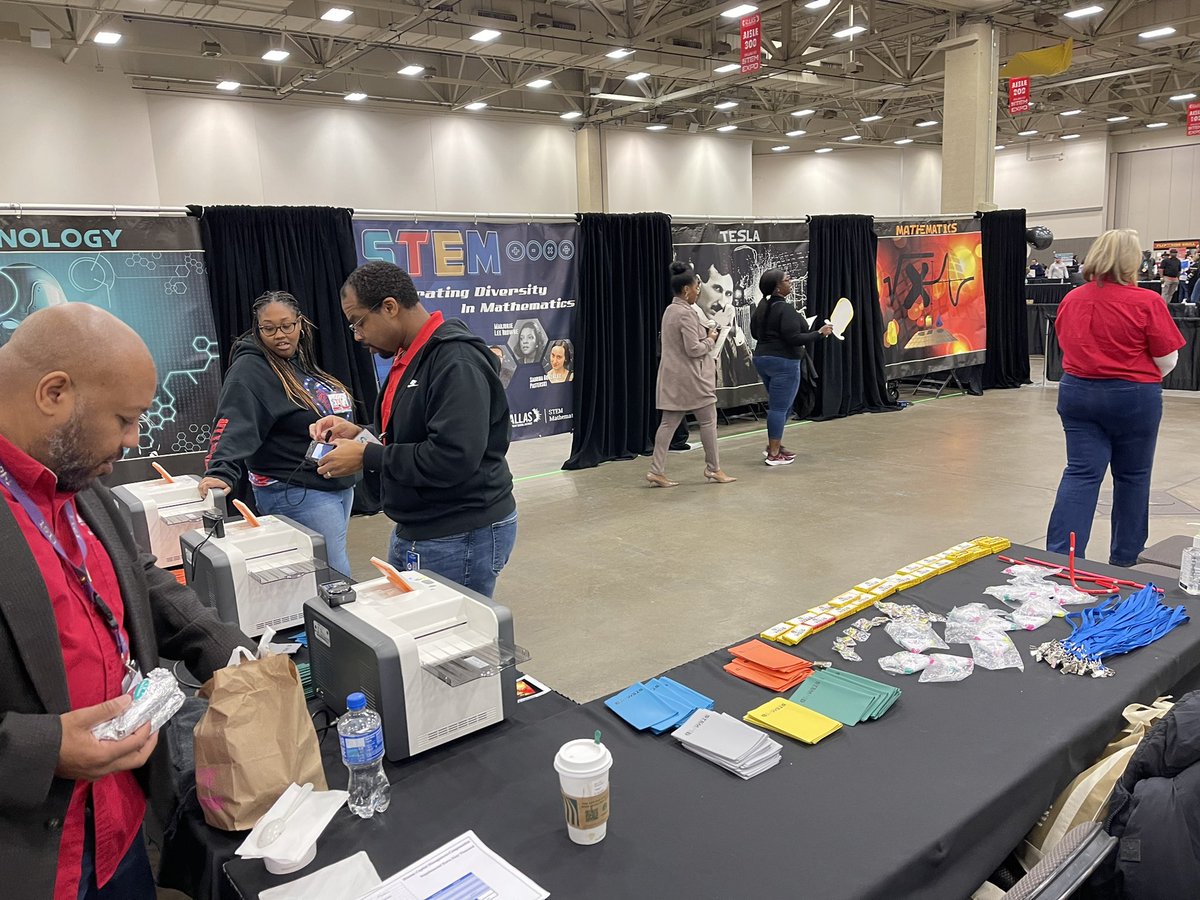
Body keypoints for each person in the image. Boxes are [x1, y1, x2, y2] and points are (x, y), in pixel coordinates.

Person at [0, 305, 251, 900]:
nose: (135, 440)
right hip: (30, 862)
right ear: (54, 392)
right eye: (125, 419)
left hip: (121, 829)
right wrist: (42, 750)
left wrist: (222, 648)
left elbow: (135, 577)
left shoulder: (79, 487)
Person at [311, 261, 517, 599]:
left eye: (358, 322)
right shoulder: (410, 357)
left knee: (449, 644)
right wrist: (358, 434)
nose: (358, 335)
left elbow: (452, 457)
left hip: (459, 531)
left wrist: (368, 455)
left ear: (390, 307)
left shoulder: (455, 361)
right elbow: (412, 435)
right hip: (423, 526)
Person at [1046, 229, 1186, 567]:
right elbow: (1167, 359)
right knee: (1133, 478)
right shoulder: (1147, 301)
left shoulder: (1072, 298)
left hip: (1078, 392)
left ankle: (1061, 559)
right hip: (1133, 397)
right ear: (1133, 261)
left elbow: (1065, 342)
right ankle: (1126, 559)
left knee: (1080, 474)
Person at [198, 291, 360, 577]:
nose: (280, 335)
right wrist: (220, 471)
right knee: (332, 576)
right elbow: (231, 421)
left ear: (300, 323)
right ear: (257, 329)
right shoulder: (250, 369)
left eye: (287, 326)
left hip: (333, 483)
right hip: (295, 489)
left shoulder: (299, 360)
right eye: (269, 328)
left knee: (328, 568)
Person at [646, 262, 735, 487]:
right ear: (686, 289)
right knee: (708, 422)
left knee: (667, 424)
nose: (698, 291)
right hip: (693, 379)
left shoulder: (670, 310)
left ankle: (656, 471)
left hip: (672, 378)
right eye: (697, 287)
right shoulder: (685, 314)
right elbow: (693, 349)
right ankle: (713, 468)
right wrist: (711, 339)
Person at [750, 269, 832, 466]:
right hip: (783, 362)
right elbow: (794, 339)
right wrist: (820, 334)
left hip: (763, 359)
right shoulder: (784, 309)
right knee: (779, 408)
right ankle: (774, 454)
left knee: (784, 406)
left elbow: (755, 334)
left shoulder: (762, 307)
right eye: (787, 280)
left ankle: (774, 445)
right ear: (778, 287)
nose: (792, 282)